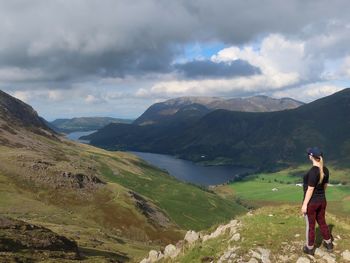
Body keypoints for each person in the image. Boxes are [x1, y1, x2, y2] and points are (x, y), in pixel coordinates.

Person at [301, 147, 334, 255]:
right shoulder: (326, 170)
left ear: (311, 156)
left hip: (312, 203)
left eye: (308, 154)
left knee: (310, 226)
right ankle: (329, 244)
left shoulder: (312, 171)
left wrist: (305, 205)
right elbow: (325, 186)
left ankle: (309, 248)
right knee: (322, 222)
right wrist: (320, 196)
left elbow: (310, 189)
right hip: (322, 201)